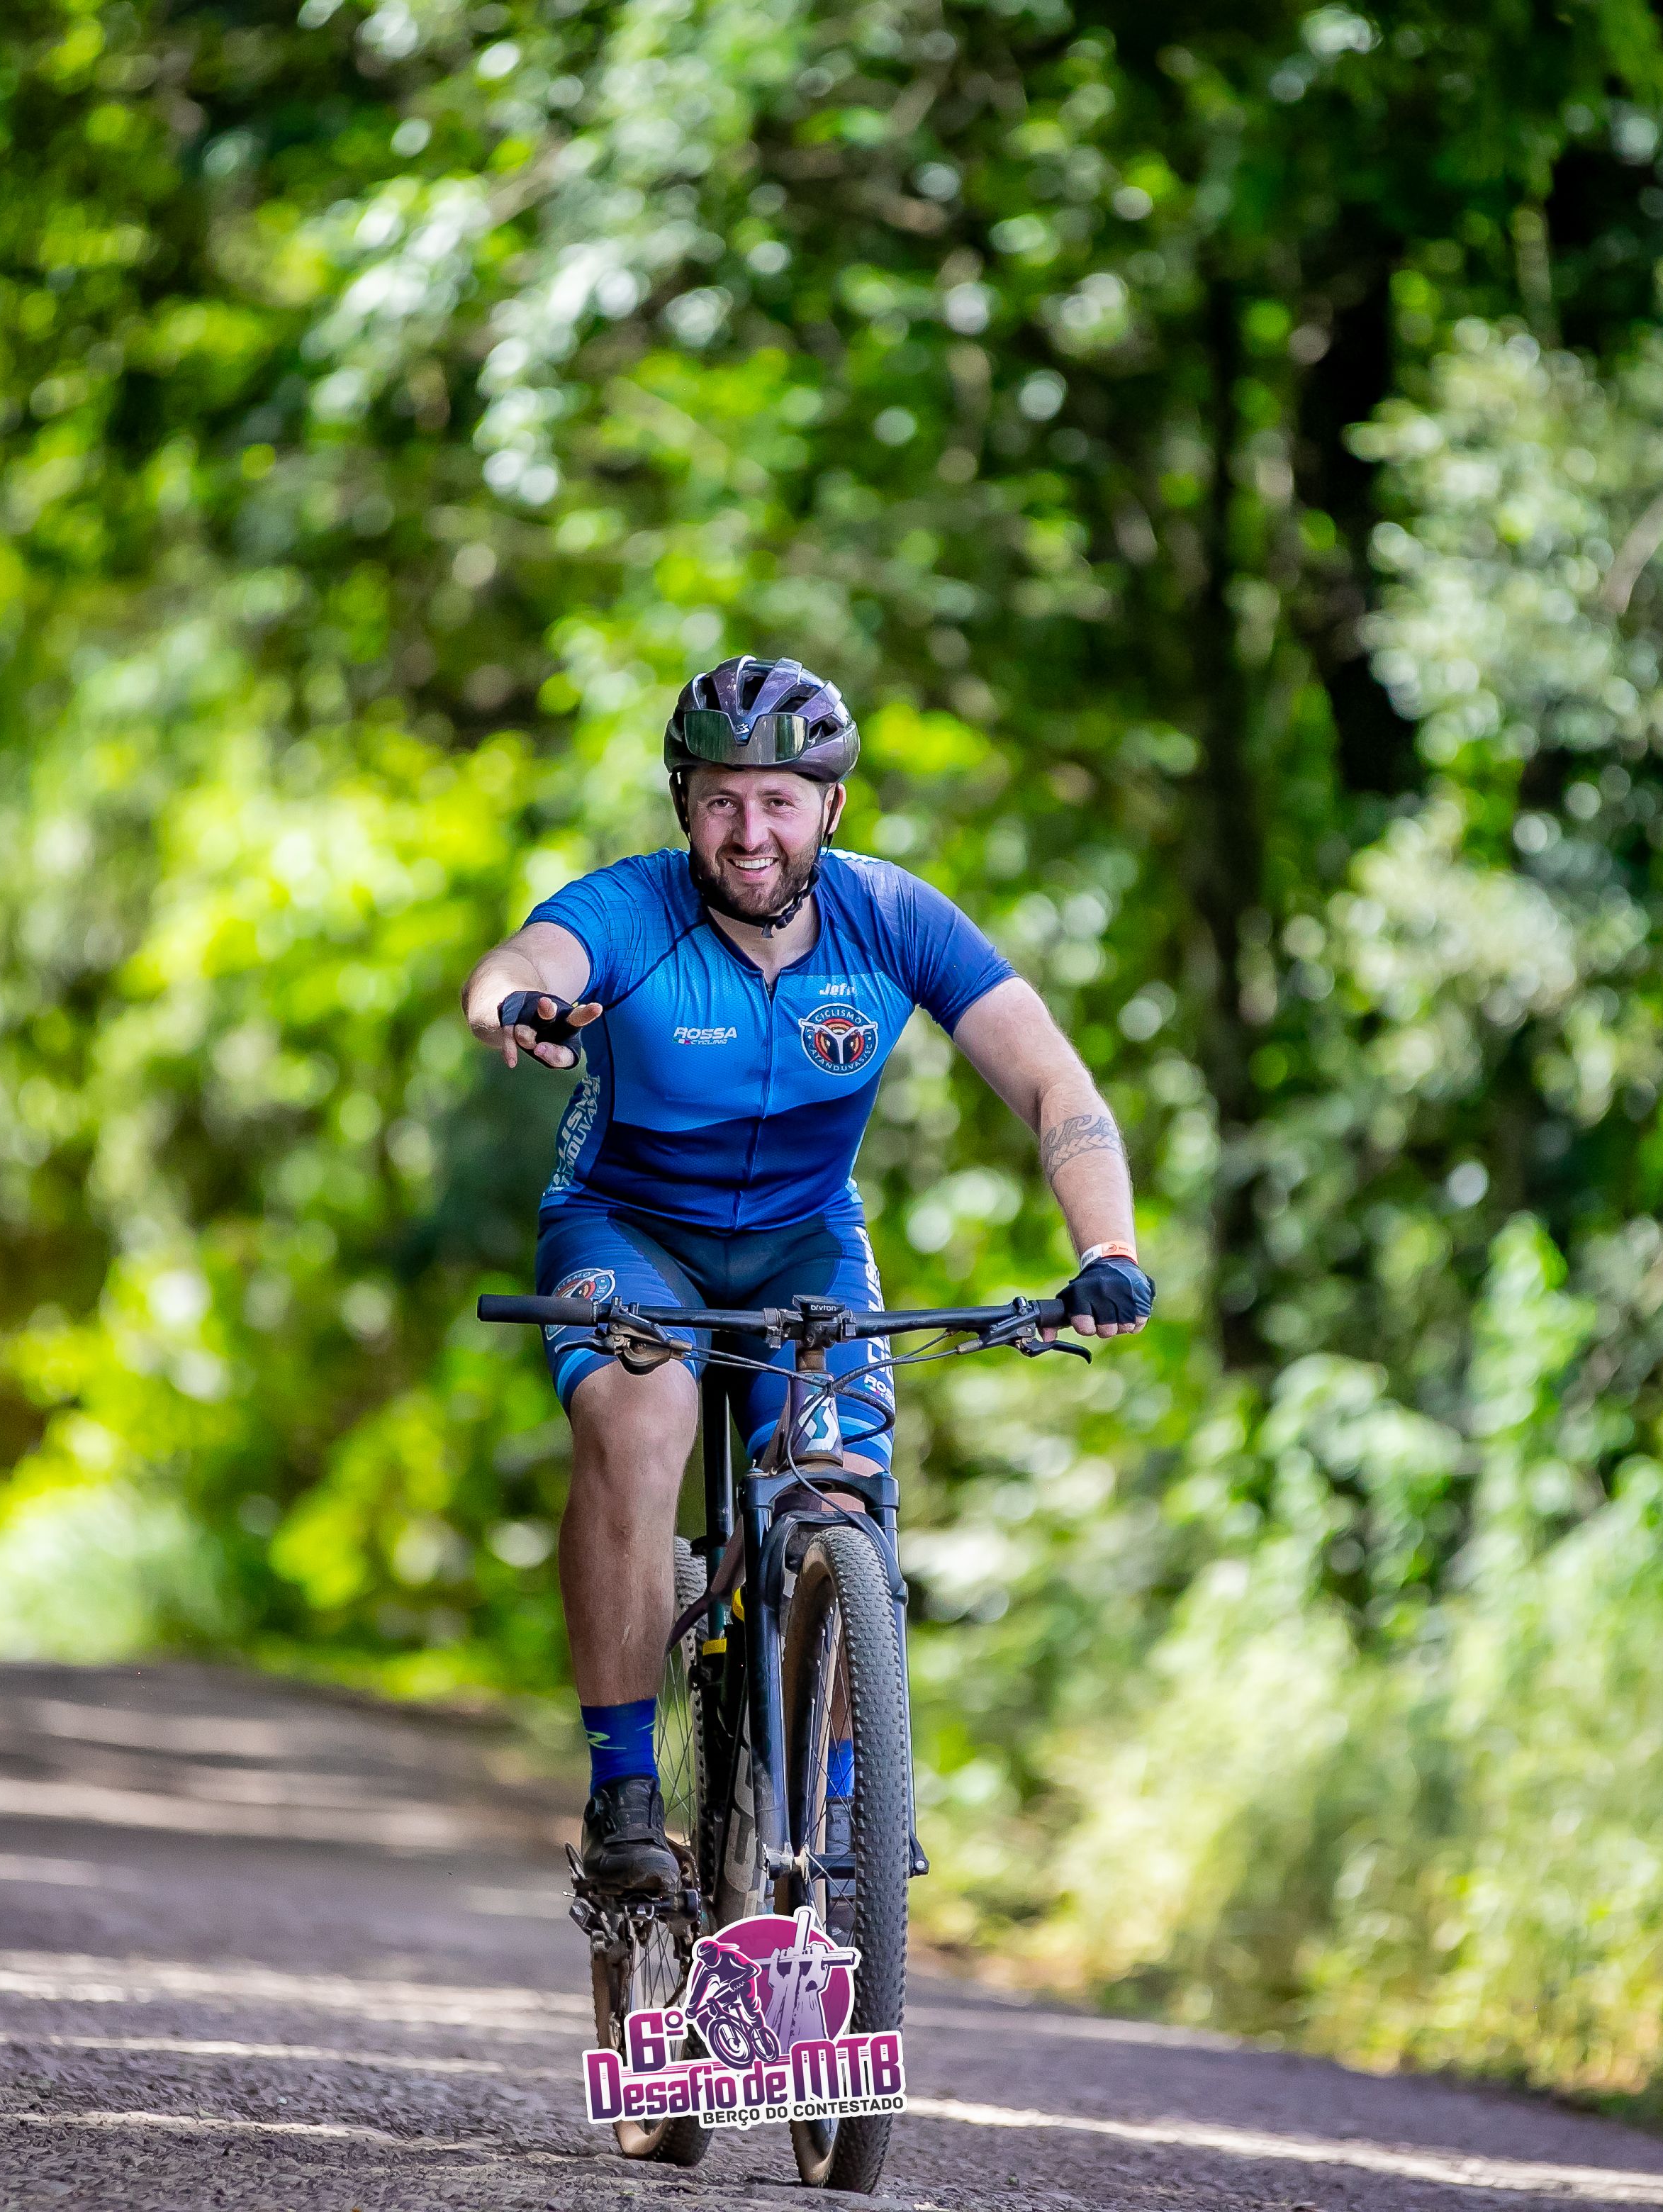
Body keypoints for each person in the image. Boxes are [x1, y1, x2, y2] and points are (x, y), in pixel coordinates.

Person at [458, 656, 1154, 1898]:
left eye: (779, 801)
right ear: (684, 805)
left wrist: (1108, 1250)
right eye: (722, 800)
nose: (750, 833)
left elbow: (1056, 1084)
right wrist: (518, 1008)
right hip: (628, 1231)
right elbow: (524, 961)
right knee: (641, 1417)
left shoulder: (893, 918)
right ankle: (625, 1790)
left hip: (804, 1243)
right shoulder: (633, 909)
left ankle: (840, 1813)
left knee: (839, 1489)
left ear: (831, 806)